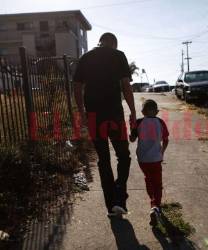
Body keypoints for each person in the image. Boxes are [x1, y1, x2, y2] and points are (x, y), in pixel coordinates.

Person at [73, 32, 136, 216]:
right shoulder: (118, 55)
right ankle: (119, 198)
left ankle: (111, 206)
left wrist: (82, 111)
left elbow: (76, 86)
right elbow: (126, 85)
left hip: (94, 116)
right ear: (114, 43)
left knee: (103, 160)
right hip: (114, 115)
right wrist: (132, 111)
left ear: (99, 42)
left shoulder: (85, 58)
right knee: (123, 156)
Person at [129, 99, 169, 226]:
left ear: (142, 112)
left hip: (142, 159)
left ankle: (153, 203)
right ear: (157, 112)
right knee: (157, 183)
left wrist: (132, 126)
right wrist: (162, 152)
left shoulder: (139, 122)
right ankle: (155, 205)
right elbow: (166, 140)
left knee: (148, 179)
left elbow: (132, 139)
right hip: (156, 159)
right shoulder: (161, 122)